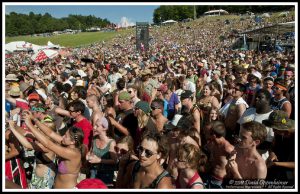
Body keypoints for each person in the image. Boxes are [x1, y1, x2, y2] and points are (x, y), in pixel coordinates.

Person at [22, 110, 84, 189]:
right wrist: (34, 119)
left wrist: (30, 125)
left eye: (66, 136)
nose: (63, 136)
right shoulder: (68, 144)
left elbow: (48, 144)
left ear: (73, 142)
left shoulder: (72, 153)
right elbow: (50, 133)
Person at [8, 118, 56, 189]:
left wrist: (12, 128)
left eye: (40, 128)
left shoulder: (48, 146)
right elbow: (24, 133)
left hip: (45, 181)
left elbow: (27, 144)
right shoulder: (43, 139)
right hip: (35, 178)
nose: (37, 128)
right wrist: (13, 124)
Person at [263, 110, 295, 186]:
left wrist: (276, 164)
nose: (273, 131)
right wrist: (272, 153)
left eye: (276, 128)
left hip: (289, 174)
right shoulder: (279, 133)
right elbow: (272, 147)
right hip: (274, 169)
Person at [86, 116, 117, 187]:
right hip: (93, 172)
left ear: (105, 128)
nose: (94, 127)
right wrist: (87, 156)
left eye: (97, 126)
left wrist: (99, 160)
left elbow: (114, 161)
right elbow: (91, 152)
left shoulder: (111, 143)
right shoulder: (94, 139)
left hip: (106, 176)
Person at [204, 121, 236, 188]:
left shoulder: (228, 148)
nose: (204, 134)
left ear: (214, 135)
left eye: (207, 133)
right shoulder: (212, 144)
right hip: (210, 178)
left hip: (221, 183)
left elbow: (234, 169)